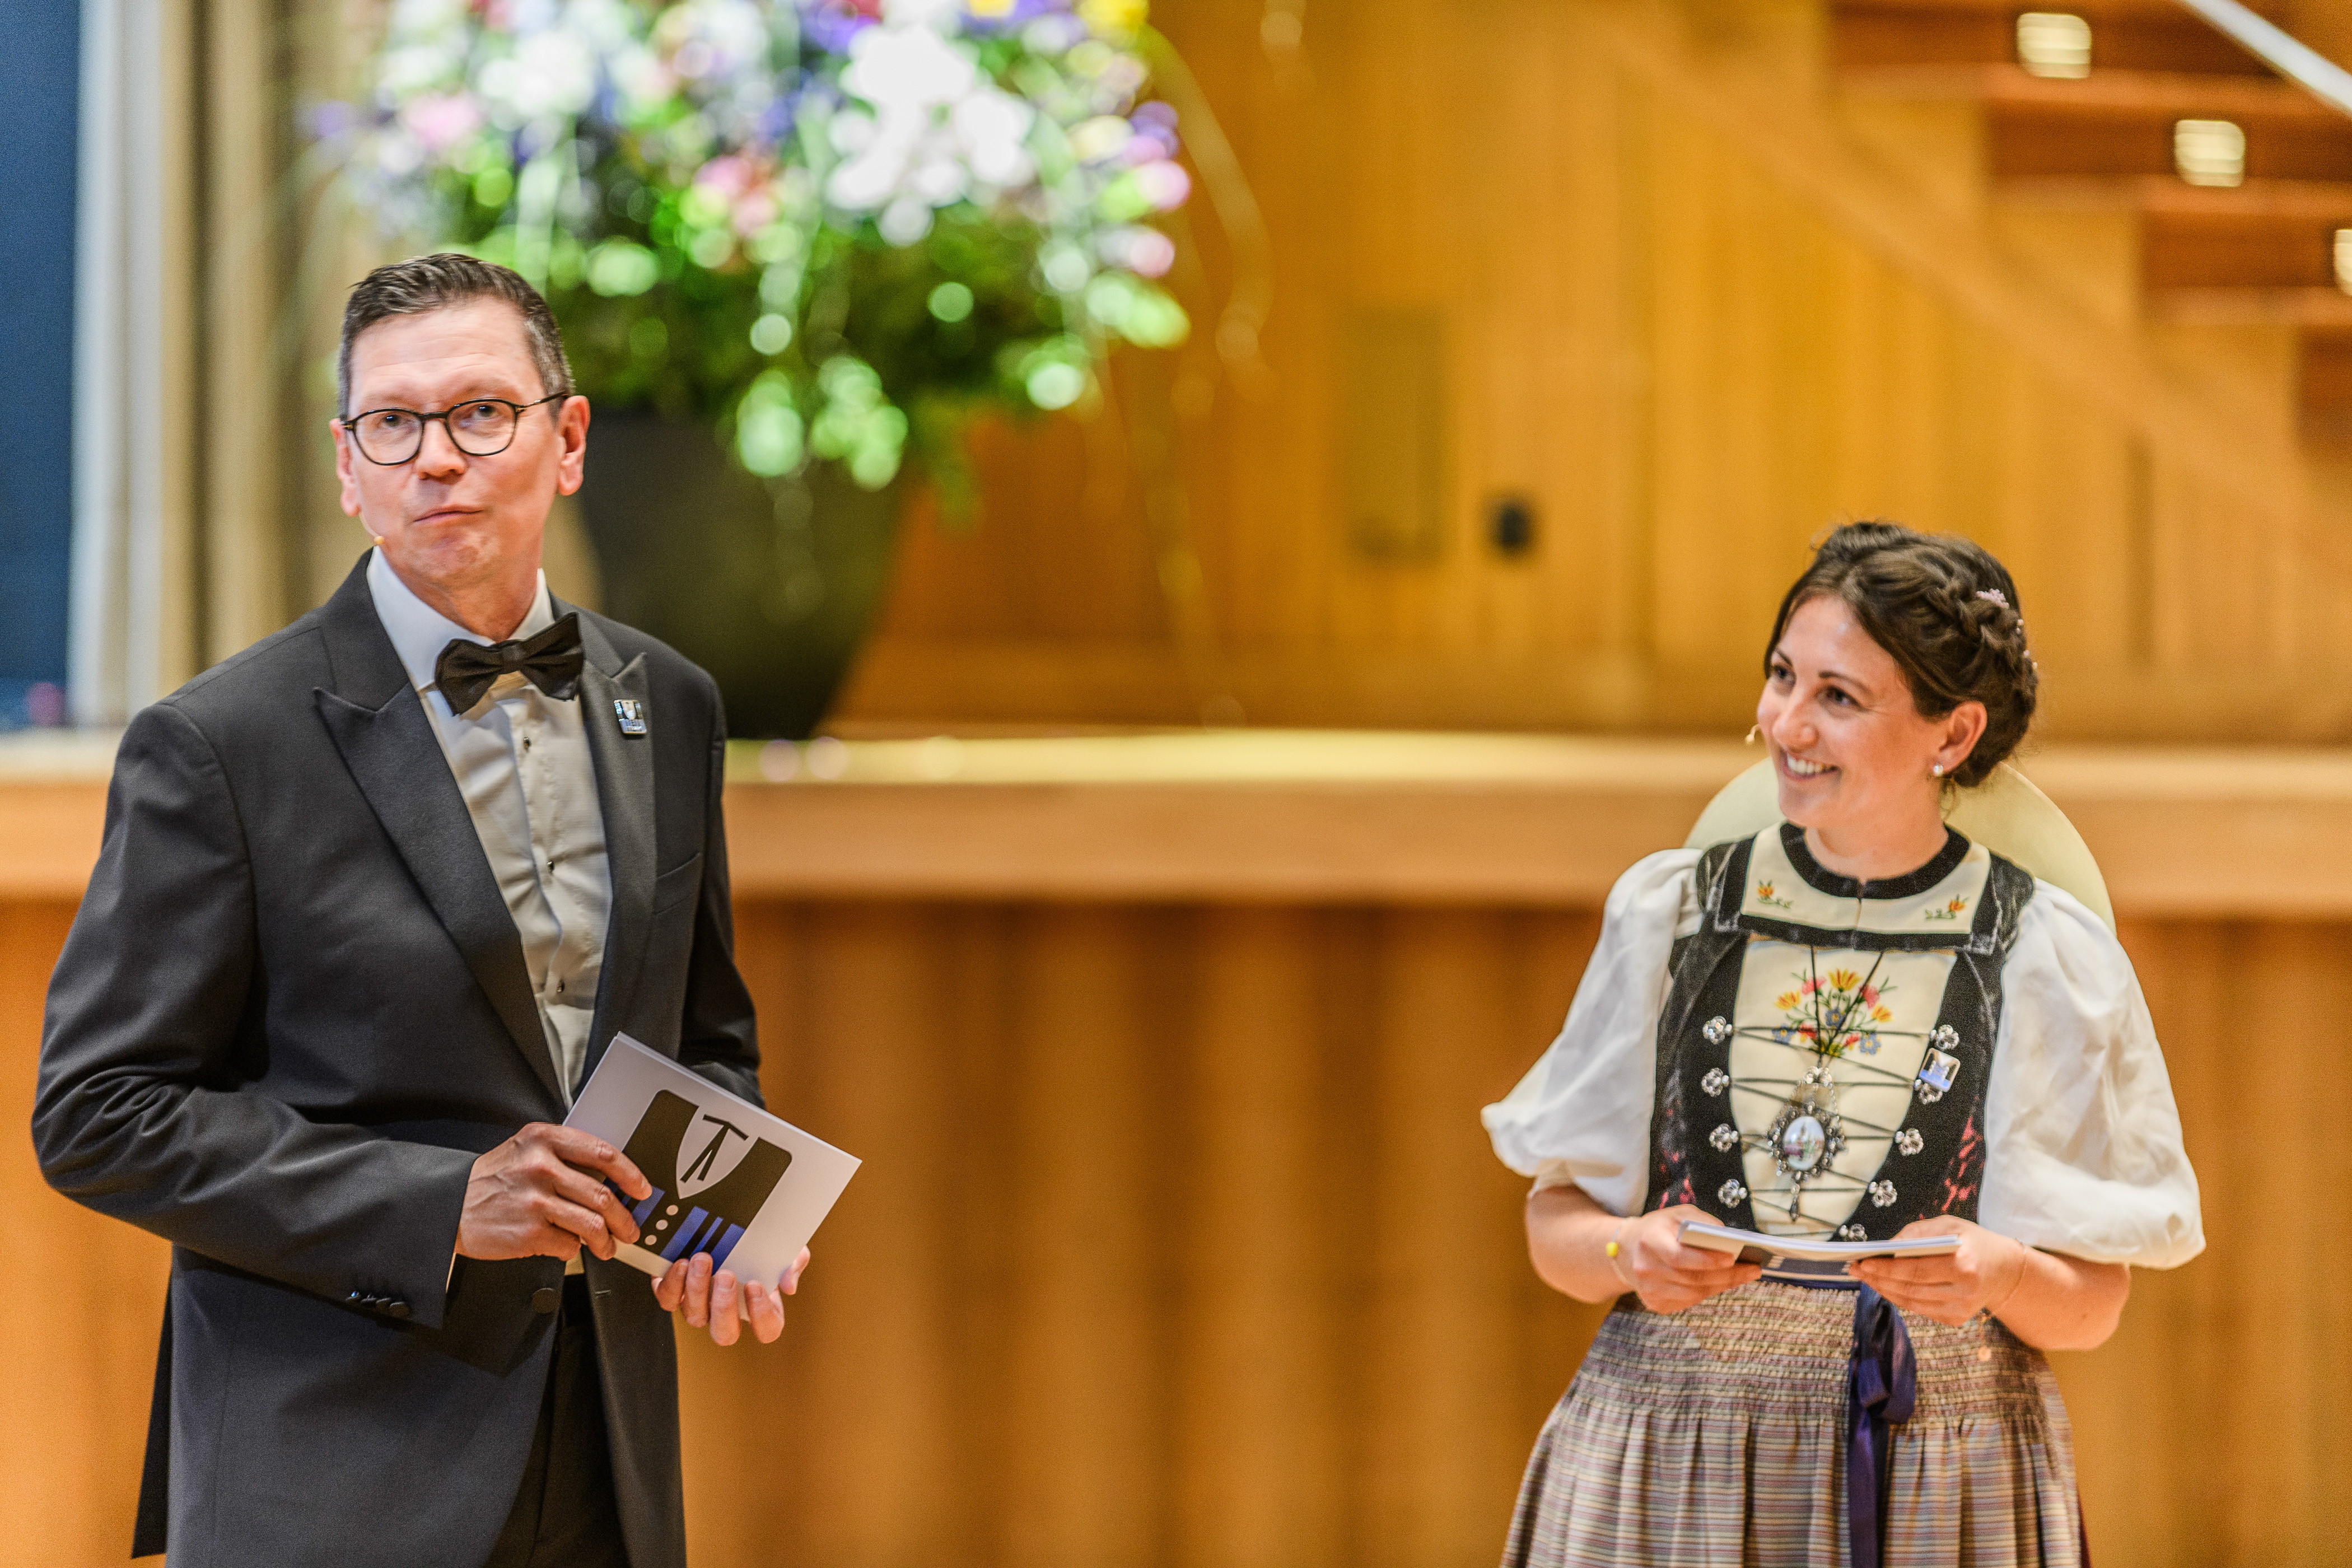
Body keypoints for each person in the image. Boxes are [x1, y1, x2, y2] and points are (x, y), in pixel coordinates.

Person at [34, 253, 805, 1568]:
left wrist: (725, 1215)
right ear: (349, 465)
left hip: (606, 1441)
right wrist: (444, 1202)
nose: (434, 457)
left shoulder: (668, 701)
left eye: (479, 413)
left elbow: (699, 1031)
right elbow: (99, 1113)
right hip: (332, 1457)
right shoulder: (221, 741)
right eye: (393, 423)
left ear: (566, 440)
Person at [1482, 522, 2202, 1568]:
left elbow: (2093, 1304)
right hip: (1669, 1448)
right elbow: (1557, 1226)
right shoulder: (1670, 914)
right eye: (1782, 678)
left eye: (1838, 697)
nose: (1786, 723)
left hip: (1935, 1460)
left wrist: (1996, 1274)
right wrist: (1623, 1250)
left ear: (1952, 736)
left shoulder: (2041, 949)